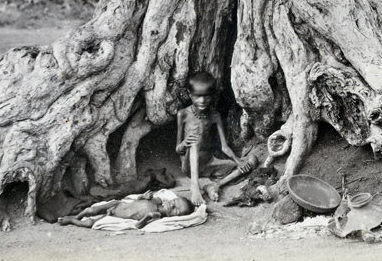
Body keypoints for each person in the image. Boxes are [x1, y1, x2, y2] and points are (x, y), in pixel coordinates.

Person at [176, 72, 253, 206]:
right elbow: (178, 149)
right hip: (190, 167)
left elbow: (224, 147)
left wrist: (238, 161)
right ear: (189, 94)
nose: (202, 101)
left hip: (210, 163)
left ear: (212, 95)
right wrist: (184, 144)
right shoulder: (183, 114)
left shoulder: (214, 115)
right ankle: (195, 187)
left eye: (207, 97)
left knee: (253, 160)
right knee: (195, 141)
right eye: (197, 96)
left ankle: (216, 185)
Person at [57, 191, 193, 229]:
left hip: (118, 216)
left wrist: (148, 216)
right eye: (174, 202)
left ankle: (72, 221)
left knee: (89, 223)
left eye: (176, 210)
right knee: (90, 210)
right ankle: (76, 216)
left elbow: (138, 226)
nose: (172, 206)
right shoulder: (158, 200)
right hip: (118, 205)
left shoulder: (157, 216)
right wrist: (143, 196)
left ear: (175, 217)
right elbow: (137, 199)